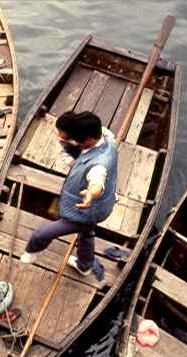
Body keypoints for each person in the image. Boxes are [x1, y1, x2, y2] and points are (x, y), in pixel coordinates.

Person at [20, 111, 118, 283]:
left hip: (87, 209)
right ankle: (85, 264)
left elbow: (96, 181)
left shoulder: (98, 166)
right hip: (104, 204)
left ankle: (30, 254)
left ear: (88, 140)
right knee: (86, 233)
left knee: (41, 234)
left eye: (77, 141)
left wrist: (90, 194)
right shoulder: (108, 139)